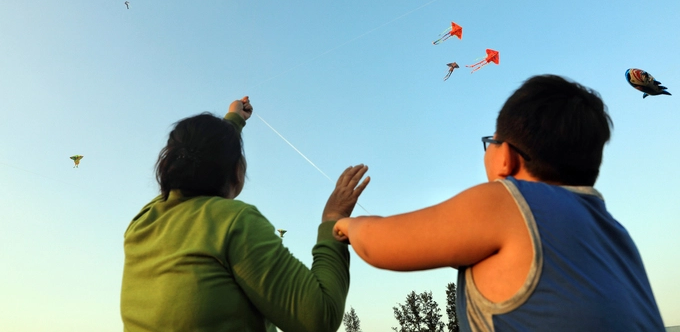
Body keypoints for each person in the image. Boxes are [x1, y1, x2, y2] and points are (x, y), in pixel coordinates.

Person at [333, 75, 664, 331]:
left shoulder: (507, 201)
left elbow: (385, 244)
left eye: (489, 142)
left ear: (505, 157)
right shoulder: (617, 237)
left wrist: (346, 223)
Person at [121, 96, 370, 332]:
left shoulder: (144, 219)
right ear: (235, 171)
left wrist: (234, 120)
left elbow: (196, 157)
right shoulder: (233, 221)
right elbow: (320, 317)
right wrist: (333, 220)